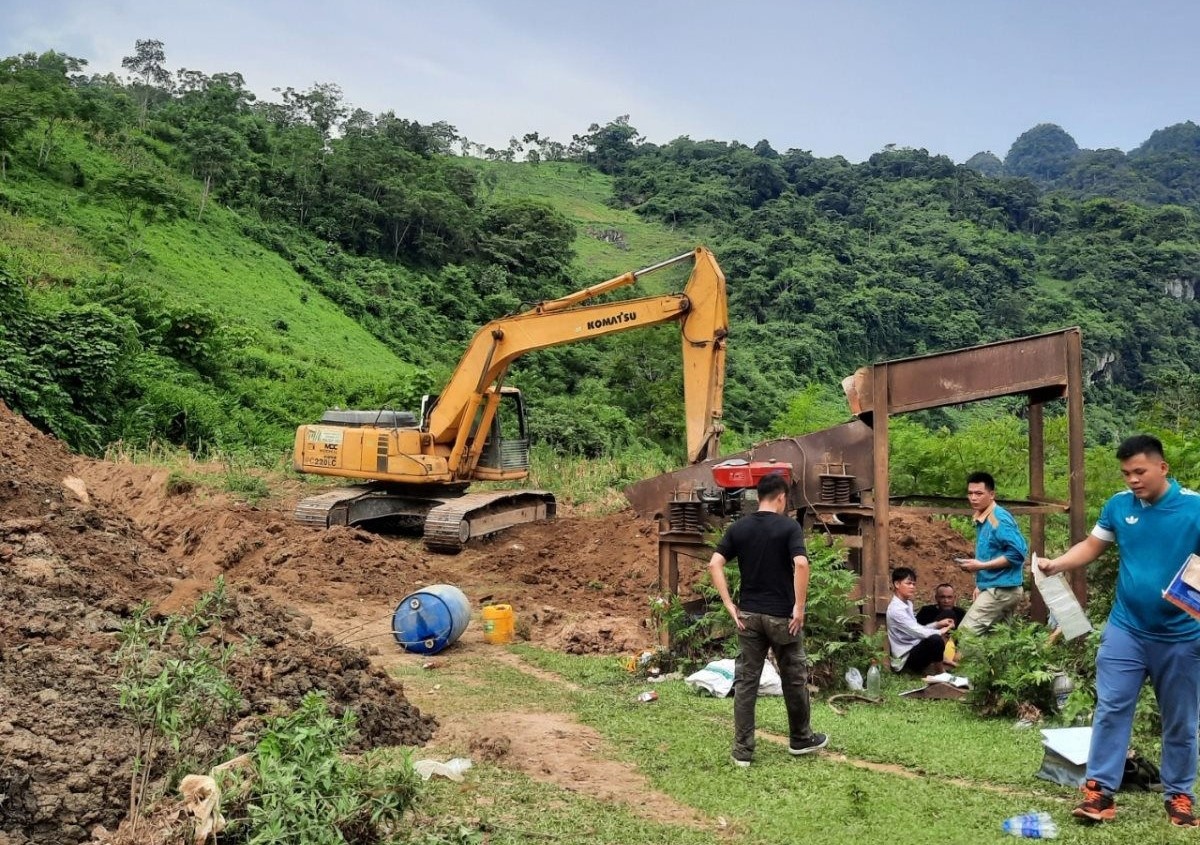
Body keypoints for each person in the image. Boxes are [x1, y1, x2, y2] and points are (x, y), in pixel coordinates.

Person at [1039, 434, 1200, 828]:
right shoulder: (1118, 506)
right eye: (1126, 473)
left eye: (1139, 471)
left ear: (1163, 468)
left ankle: (1179, 796)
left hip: (1182, 636)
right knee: (1111, 708)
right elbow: (1092, 546)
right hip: (1126, 628)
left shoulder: (1194, 508)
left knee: (1181, 719)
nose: (1132, 480)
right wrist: (1057, 564)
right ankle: (1099, 792)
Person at [707, 472, 828, 767]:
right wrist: (799, 606)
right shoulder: (789, 527)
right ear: (782, 497)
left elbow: (714, 564)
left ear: (758, 496)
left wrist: (729, 604)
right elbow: (801, 564)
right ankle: (800, 739)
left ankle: (742, 751)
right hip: (782, 617)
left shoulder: (739, 527)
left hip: (748, 616)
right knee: (793, 678)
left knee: (746, 683)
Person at [958, 471, 1027, 635]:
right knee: (996, 641)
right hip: (997, 588)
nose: (973, 498)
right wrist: (981, 585)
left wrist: (981, 566)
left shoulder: (998, 518)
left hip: (1001, 590)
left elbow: (1018, 554)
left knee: (964, 635)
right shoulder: (983, 517)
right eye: (970, 493)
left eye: (979, 493)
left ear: (992, 494)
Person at [886, 568, 955, 675]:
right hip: (906, 658)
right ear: (897, 584)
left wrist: (937, 624)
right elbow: (919, 632)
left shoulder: (907, 604)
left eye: (913, 584)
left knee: (936, 635)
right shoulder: (896, 610)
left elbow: (917, 628)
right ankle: (940, 673)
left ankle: (941, 665)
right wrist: (941, 631)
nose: (912, 587)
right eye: (908, 583)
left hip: (914, 647)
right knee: (935, 640)